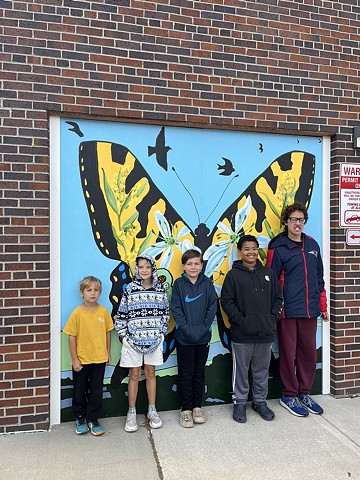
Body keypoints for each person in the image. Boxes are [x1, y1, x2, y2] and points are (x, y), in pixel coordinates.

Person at [266, 202, 329, 417]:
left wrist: (323, 305)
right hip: (287, 310)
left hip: (310, 310)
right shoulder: (278, 247)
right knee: (288, 353)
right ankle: (289, 395)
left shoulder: (312, 245)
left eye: (301, 220)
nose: (297, 224)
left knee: (308, 354)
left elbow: (319, 278)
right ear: (286, 221)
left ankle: (304, 392)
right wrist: (274, 310)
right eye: (293, 219)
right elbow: (271, 282)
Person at [220, 235, 283, 423]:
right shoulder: (233, 275)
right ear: (240, 251)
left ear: (258, 250)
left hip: (265, 333)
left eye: (254, 248)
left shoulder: (269, 274)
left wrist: (272, 319)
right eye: (246, 249)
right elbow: (227, 301)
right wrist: (241, 320)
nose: (251, 252)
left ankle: (259, 402)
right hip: (242, 334)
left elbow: (278, 299)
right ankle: (240, 403)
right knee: (241, 370)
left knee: (261, 370)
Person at [115, 254, 169, 433]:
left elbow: (165, 314)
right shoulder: (130, 289)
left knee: (151, 373)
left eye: (147, 267)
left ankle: (152, 410)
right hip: (133, 341)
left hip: (154, 340)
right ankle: (131, 412)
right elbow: (121, 314)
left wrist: (161, 333)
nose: (144, 270)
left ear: (153, 269)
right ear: (136, 269)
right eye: (140, 267)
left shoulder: (160, 289)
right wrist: (125, 336)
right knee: (134, 374)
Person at [171, 249, 217, 428]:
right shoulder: (179, 284)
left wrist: (202, 328)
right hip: (184, 338)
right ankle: (185, 410)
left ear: (201, 265)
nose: (193, 267)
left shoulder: (207, 283)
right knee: (185, 374)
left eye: (196, 263)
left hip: (202, 337)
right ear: (183, 266)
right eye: (189, 264)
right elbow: (176, 309)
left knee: (199, 374)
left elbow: (212, 307)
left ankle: (197, 407)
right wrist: (188, 329)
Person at [63, 275, 113, 436]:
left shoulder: (104, 312)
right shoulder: (77, 313)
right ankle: (80, 418)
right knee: (79, 390)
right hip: (82, 361)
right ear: (81, 293)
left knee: (96, 390)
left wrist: (107, 353)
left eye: (96, 290)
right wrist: (75, 359)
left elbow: (107, 334)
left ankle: (93, 419)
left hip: (99, 359)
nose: (93, 293)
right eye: (89, 290)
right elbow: (71, 336)